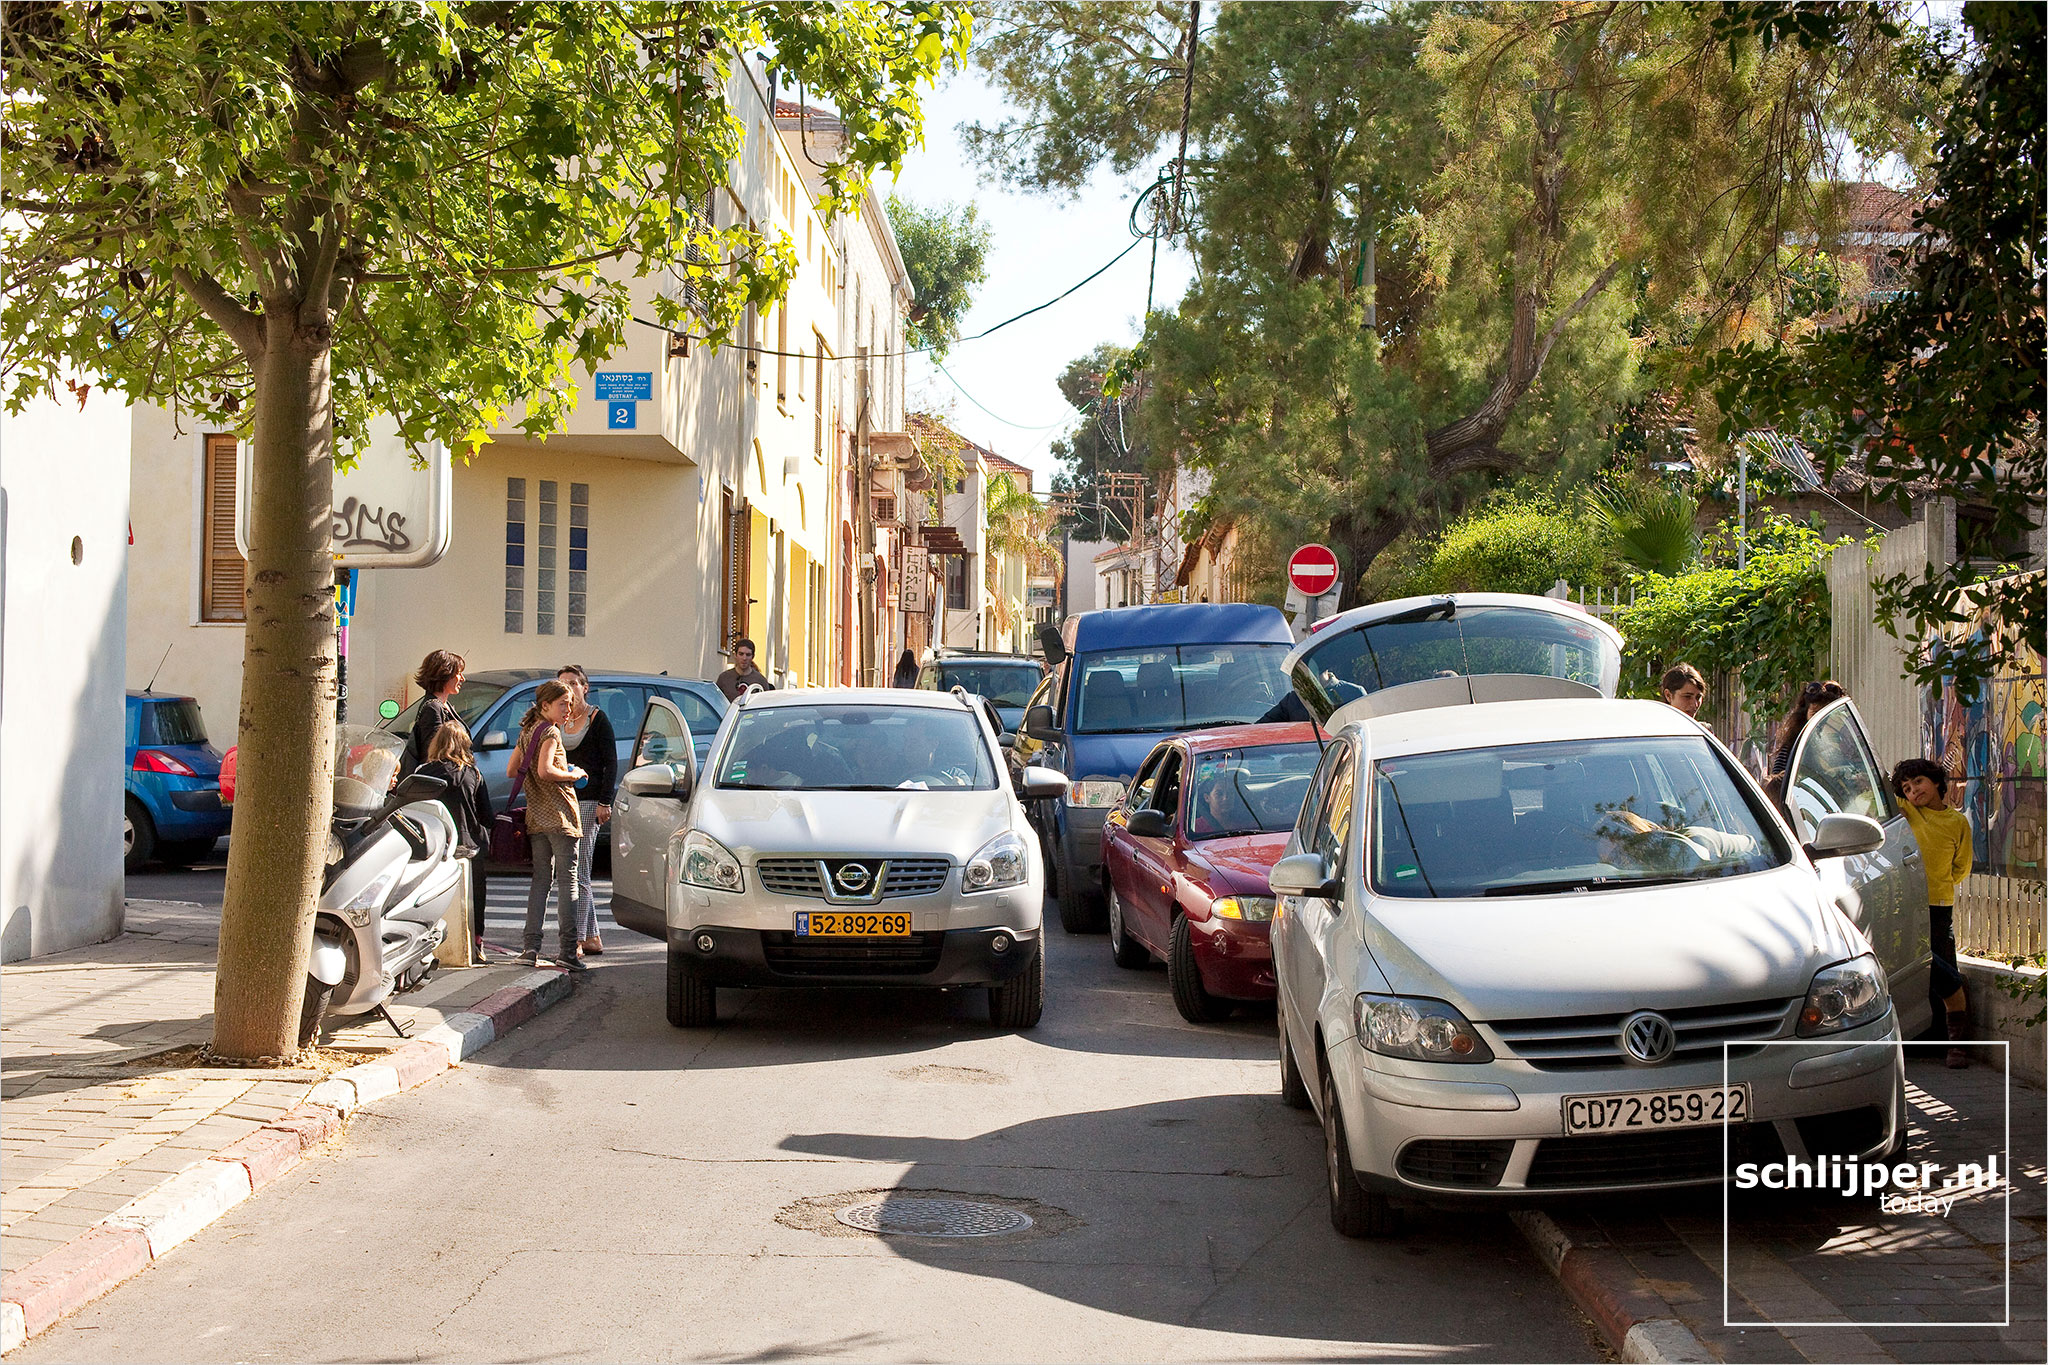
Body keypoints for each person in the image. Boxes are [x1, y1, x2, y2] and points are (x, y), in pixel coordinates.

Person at [1893, 758, 1975, 1068]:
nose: (1913, 791)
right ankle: (1920, 1038)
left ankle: (1953, 1043)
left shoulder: (1958, 823)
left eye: (1919, 782)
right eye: (1907, 788)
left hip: (1940, 905)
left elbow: (1962, 866)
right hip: (1909, 904)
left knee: (1943, 966)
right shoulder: (1910, 813)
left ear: (1938, 782)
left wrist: (1941, 884)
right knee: (1921, 968)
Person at [507, 680, 587, 970]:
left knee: (541, 882)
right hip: (560, 816)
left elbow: (511, 769)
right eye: (563, 704)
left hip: (536, 817)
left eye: (570, 703)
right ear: (545, 706)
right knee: (568, 882)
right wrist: (573, 774)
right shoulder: (551, 731)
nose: (569, 709)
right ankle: (567, 951)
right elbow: (545, 770)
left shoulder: (527, 731)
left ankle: (530, 948)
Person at [419, 721, 495, 965]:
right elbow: (487, 817)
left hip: (436, 847)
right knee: (476, 900)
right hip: (470, 846)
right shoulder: (473, 774)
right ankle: (476, 944)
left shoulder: (423, 772)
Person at [554, 665, 615, 956]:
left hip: (590, 800)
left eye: (574, 683)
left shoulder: (597, 718)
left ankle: (577, 938)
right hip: (565, 800)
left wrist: (606, 801)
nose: (569, 688)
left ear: (585, 687)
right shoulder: (560, 720)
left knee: (579, 870)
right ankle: (592, 937)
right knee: (575, 870)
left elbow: (610, 762)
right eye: (563, 683)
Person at [400, 650, 465, 779]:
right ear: (445, 674)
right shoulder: (432, 708)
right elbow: (434, 754)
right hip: (440, 781)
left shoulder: (444, 706)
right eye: (458, 673)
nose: (463, 678)